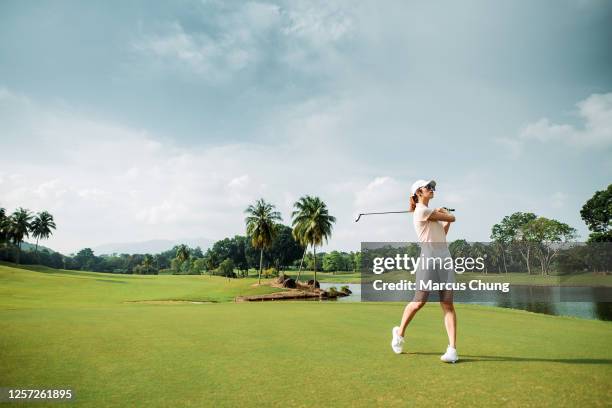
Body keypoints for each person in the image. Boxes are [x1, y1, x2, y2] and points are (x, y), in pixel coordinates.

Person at [390, 179, 459, 363]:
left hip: (444, 261)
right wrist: (445, 213)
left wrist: (443, 215)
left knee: (447, 305)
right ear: (418, 192)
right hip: (428, 262)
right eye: (428, 187)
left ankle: (452, 349)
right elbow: (452, 217)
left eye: (433, 187)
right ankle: (399, 333)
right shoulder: (422, 211)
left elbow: (442, 234)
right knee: (419, 302)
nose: (432, 189)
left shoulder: (431, 214)